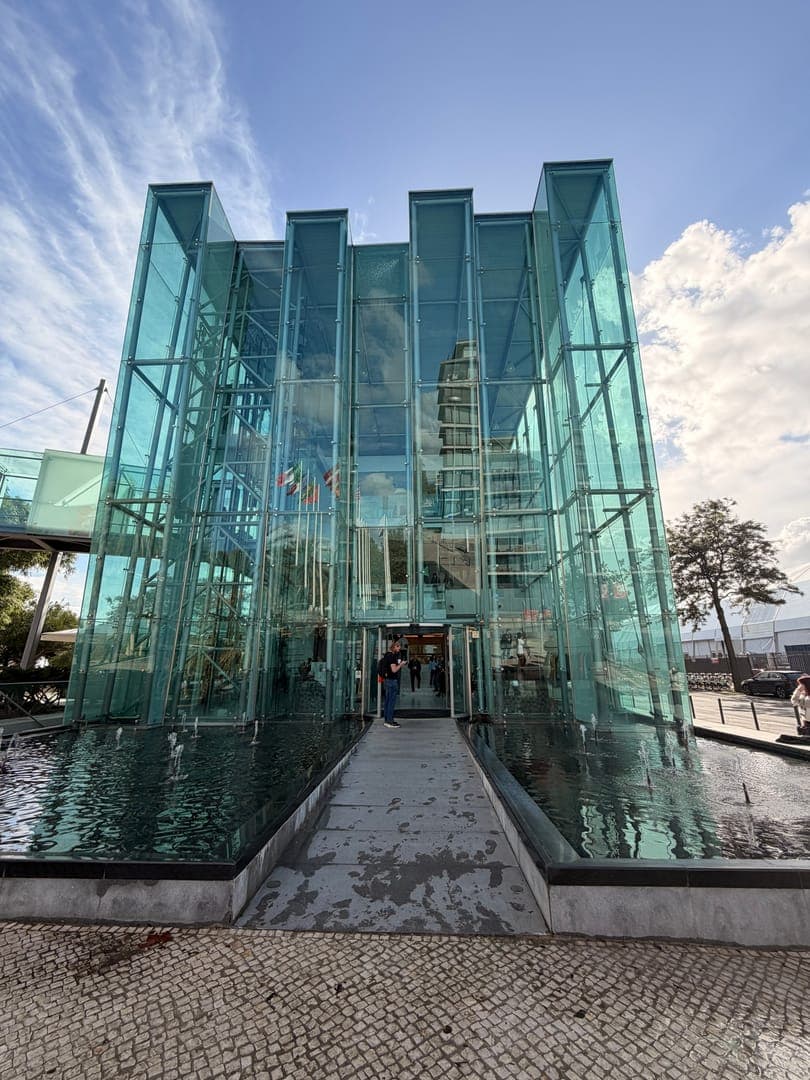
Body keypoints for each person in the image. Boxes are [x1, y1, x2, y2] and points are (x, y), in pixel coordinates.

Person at [382, 641, 407, 728]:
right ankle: (389, 721)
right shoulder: (392, 656)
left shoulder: (386, 655)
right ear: (395, 646)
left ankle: (387, 720)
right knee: (391, 702)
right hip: (392, 681)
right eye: (398, 647)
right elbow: (394, 670)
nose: (399, 649)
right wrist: (401, 664)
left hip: (387, 680)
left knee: (387, 701)